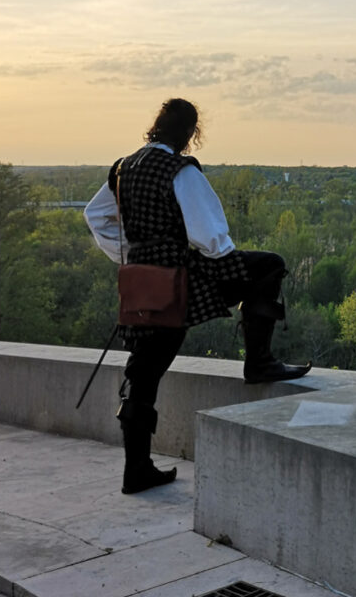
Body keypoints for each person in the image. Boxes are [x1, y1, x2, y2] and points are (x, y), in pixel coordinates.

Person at [84, 98, 310, 495]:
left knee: (144, 368)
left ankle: (135, 470)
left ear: (154, 127)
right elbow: (209, 235)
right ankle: (259, 362)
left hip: (140, 279)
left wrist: (132, 251)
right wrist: (227, 266)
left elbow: (95, 215)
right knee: (269, 265)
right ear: (189, 134)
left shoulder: (122, 168)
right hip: (180, 276)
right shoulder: (180, 170)